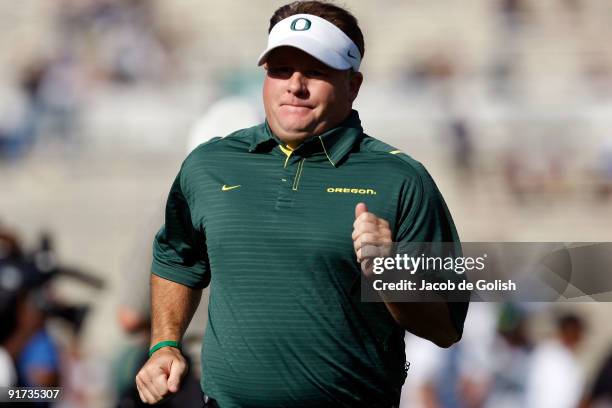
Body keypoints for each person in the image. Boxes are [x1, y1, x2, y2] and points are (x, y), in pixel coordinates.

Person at [136, 2, 469, 407]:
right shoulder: (209, 163)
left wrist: (389, 270)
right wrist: (165, 345)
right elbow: (177, 261)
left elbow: (446, 327)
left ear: (353, 84)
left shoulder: (401, 180)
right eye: (280, 70)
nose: (295, 85)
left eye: (315, 71)